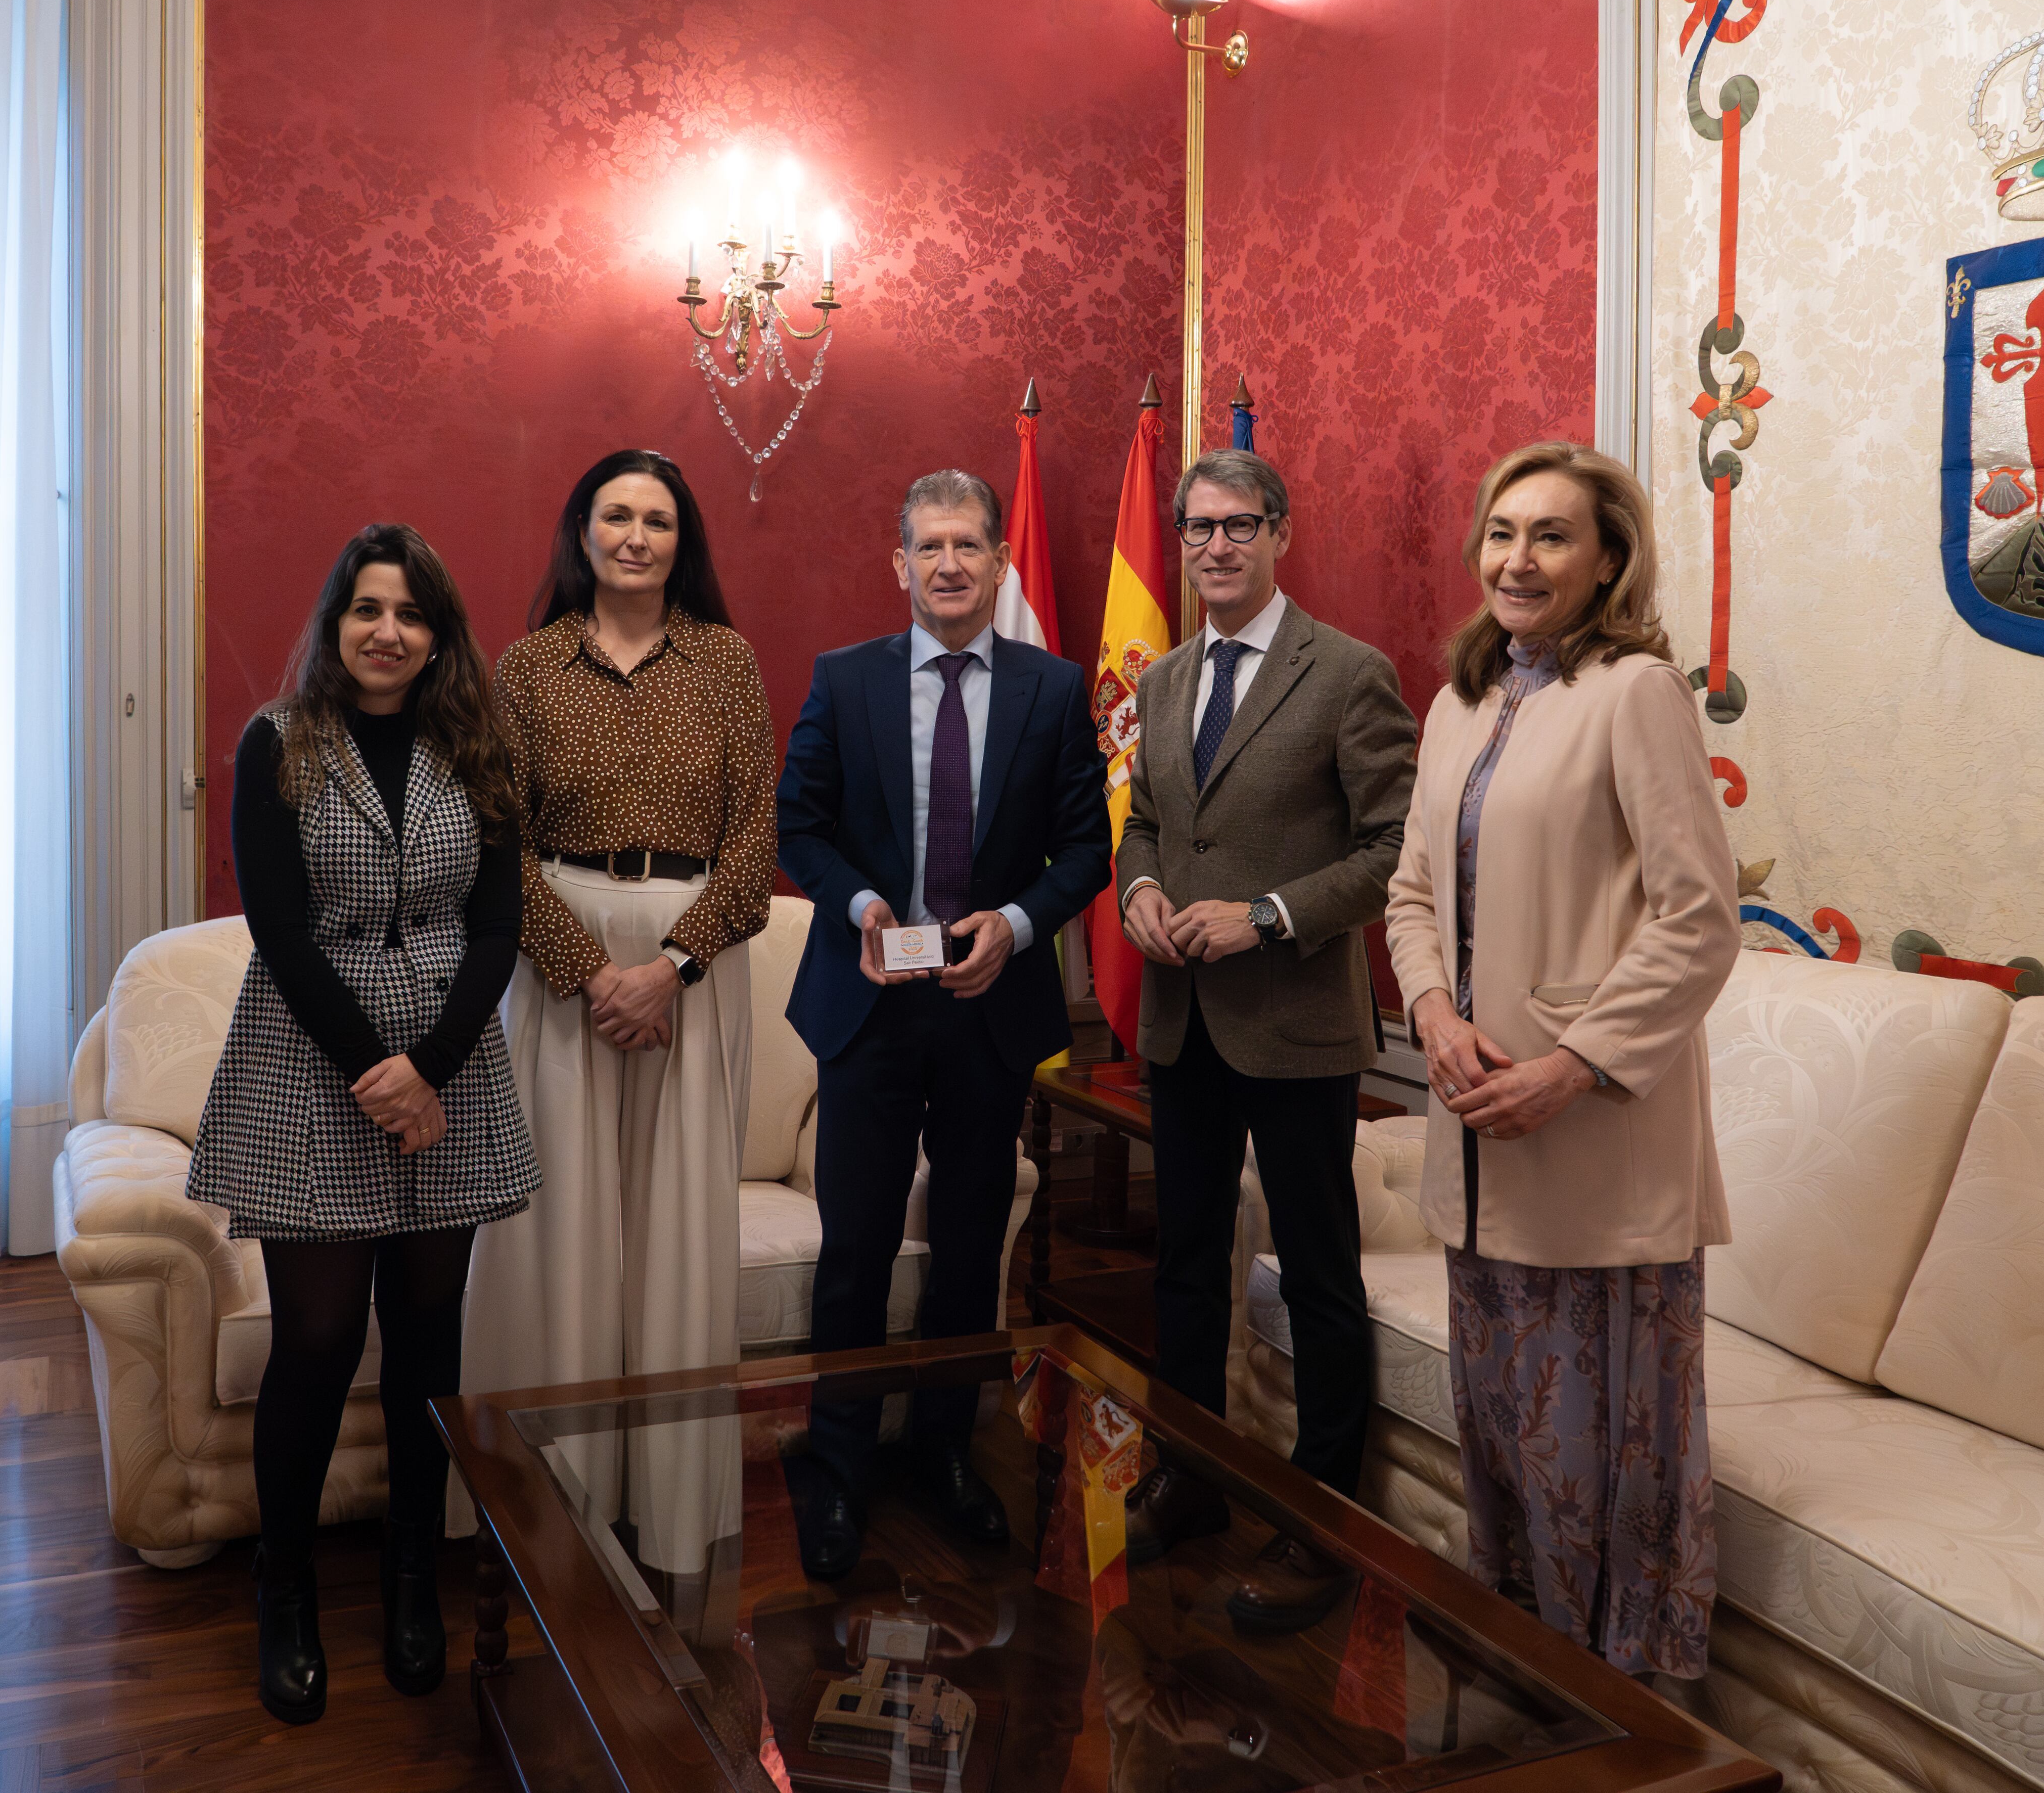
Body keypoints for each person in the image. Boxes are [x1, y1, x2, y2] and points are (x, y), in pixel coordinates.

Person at [1382, 441, 1737, 1679]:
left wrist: (1572, 1063)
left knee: (1600, 1432)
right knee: (1504, 1411)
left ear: (1605, 560)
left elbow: (1699, 916)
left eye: (1550, 536)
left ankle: (1626, 1684)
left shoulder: (1636, 691)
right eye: (1501, 532)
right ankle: (1522, 1647)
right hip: (1476, 1122)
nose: (1517, 560)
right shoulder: (1459, 700)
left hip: (1593, 1131)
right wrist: (1432, 1012)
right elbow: (1411, 890)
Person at [188, 523, 538, 1725]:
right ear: (336, 623)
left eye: (411, 612)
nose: (388, 631)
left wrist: (428, 1067)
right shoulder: (278, 741)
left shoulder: (478, 743)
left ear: (439, 634)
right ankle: (284, 1588)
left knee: (428, 1341)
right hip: (311, 1059)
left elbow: (498, 925)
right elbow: (279, 929)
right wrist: (377, 1072)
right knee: (319, 1340)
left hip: (452, 1062)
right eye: (367, 609)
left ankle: (410, 1578)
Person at [776, 468, 1111, 1579]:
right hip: (869, 1004)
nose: (951, 563)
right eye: (930, 546)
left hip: (988, 1007)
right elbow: (800, 826)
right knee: (857, 1248)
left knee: (970, 1249)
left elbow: (1086, 848)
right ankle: (837, 1466)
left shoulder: (1052, 688)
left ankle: (947, 1452)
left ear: (1000, 563)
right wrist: (862, 906)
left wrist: (1015, 926)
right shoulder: (845, 679)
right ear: (901, 564)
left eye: (970, 544)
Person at [458, 449, 777, 1583]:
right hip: (562, 973)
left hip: (692, 968)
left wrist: (668, 968)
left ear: (683, 541)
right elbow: (498, 839)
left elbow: (756, 838)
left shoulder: (727, 661)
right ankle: (551, 1509)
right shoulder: (529, 666)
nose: (637, 536)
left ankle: (669, 1512)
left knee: (677, 1236)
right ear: (582, 532)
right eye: (616, 515)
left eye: (659, 519)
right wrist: (592, 971)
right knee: (556, 1230)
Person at [1114, 448, 1417, 1635]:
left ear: (1280, 533)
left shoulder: (1346, 672)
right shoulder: (1162, 678)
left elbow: (1395, 847)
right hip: (1182, 1018)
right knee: (1185, 1265)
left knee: (1318, 1273)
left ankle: (1319, 1520)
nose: (1216, 547)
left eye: (1239, 525)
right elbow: (1146, 822)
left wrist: (1270, 913)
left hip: (1295, 1022)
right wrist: (1142, 890)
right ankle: (1189, 1474)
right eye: (1198, 528)